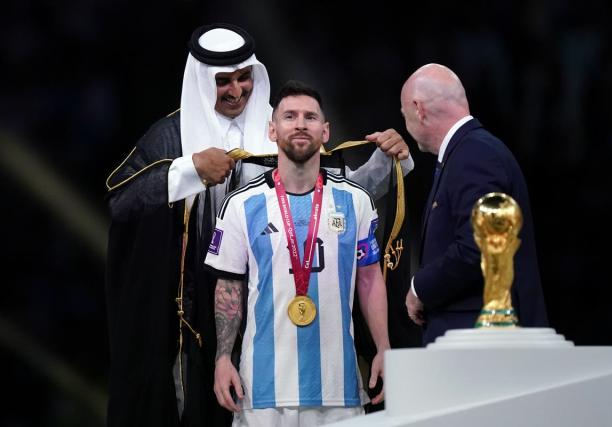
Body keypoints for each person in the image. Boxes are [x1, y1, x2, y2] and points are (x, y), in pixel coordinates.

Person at [105, 23, 411, 427]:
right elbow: (121, 200)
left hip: (272, 321)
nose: (236, 90)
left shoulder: (282, 129)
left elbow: (336, 195)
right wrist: (191, 169)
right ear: (201, 80)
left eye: (244, 77)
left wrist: (392, 162)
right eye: (223, 81)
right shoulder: (170, 138)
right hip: (194, 322)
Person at [206, 80, 390, 427]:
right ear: (272, 130)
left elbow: (370, 278)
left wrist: (383, 348)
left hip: (339, 390)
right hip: (261, 391)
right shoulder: (240, 205)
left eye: (310, 117)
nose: (301, 124)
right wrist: (222, 358)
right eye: (290, 116)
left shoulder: (356, 201)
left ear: (325, 131)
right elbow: (228, 286)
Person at [400, 63, 548, 345]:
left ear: (418, 109)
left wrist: (420, 287)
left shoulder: (474, 155)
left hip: (484, 344)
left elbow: (479, 246)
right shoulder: (469, 152)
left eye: (403, 112)